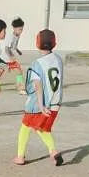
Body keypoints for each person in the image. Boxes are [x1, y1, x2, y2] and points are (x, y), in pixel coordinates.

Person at [14, 29, 64, 167]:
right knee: (41, 128)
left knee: (26, 126)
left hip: (40, 104)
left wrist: (41, 106)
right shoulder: (59, 59)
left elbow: (37, 86)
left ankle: (20, 156)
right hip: (56, 102)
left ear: (37, 44)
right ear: (55, 43)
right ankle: (53, 152)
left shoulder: (37, 63)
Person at [3, 17, 25, 85]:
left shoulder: (17, 35)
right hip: (6, 58)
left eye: (22, 29)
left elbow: (14, 46)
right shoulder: (11, 37)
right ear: (14, 28)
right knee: (19, 72)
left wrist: (18, 51)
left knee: (0, 72)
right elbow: (7, 49)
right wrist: (11, 58)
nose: (21, 31)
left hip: (8, 58)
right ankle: (20, 87)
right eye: (20, 29)